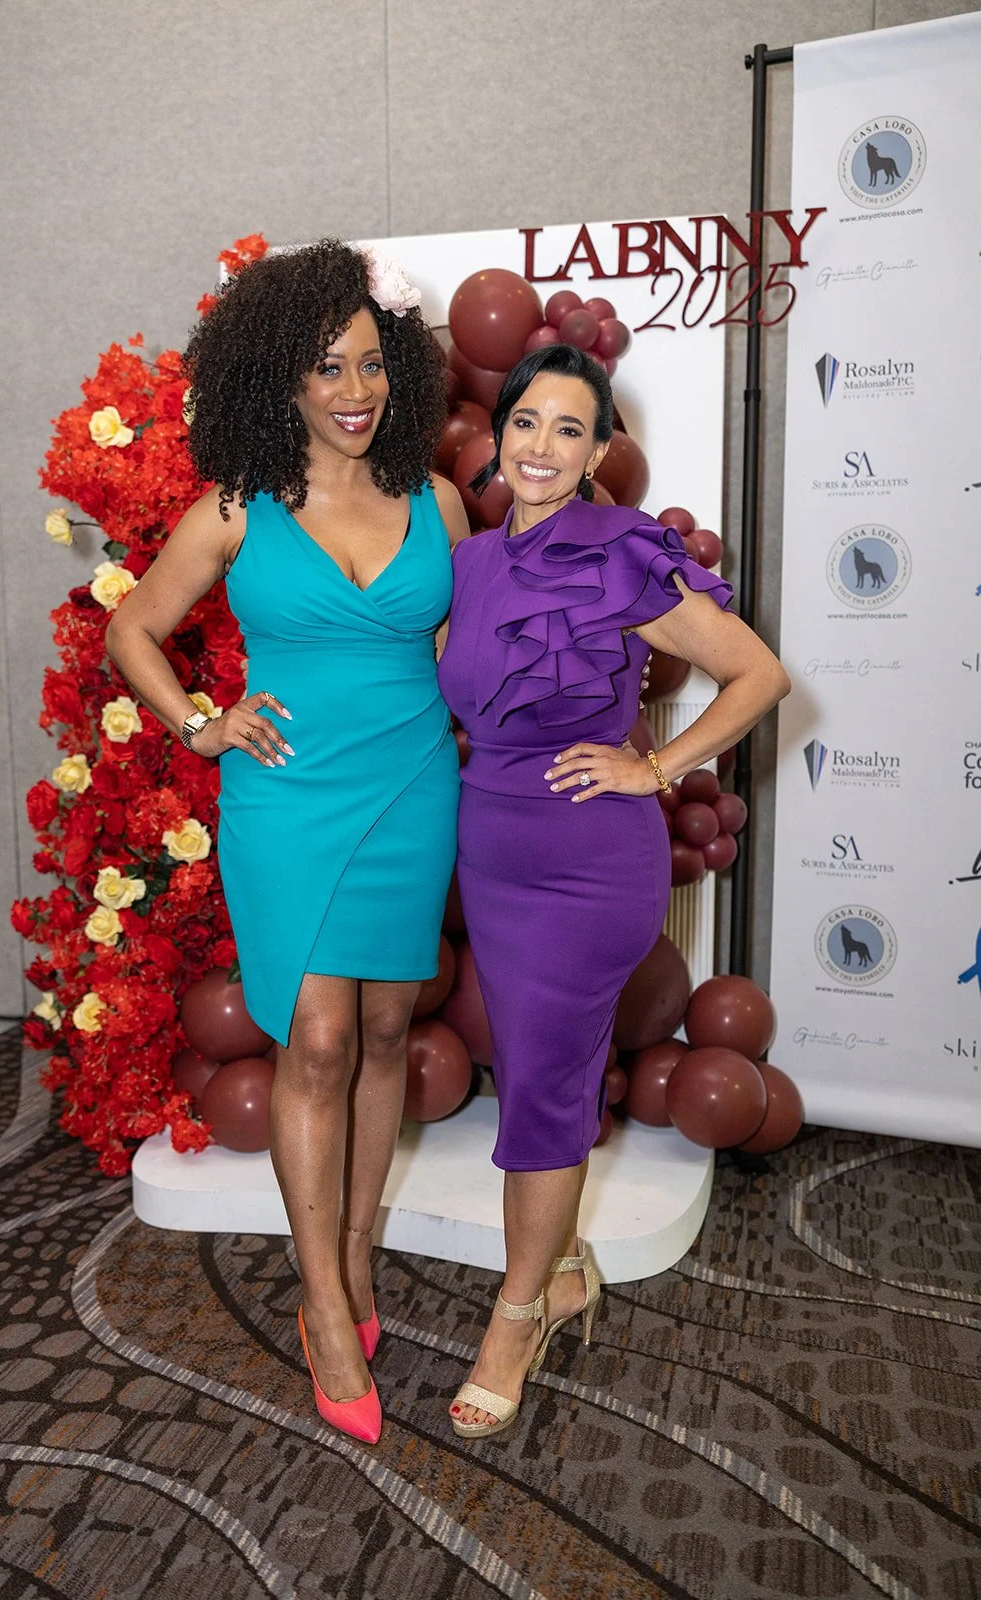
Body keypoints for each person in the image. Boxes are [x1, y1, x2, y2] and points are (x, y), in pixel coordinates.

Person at [106, 239, 469, 1444]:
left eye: (371, 365)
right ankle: (322, 1308)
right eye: (328, 368)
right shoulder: (233, 509)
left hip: (412, 788)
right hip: (286, 795)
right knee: (313, 1036)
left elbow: (480, 648)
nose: (355, 390)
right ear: (283, 379)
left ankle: (355, 1259)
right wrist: (200, 726)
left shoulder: (438, 498)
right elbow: (135, 631)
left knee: (380, 1029)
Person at [436, 343, 790, 1438]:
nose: (541, 447)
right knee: (536, 1064)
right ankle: (567, 1267)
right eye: (526, 423)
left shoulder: (619, 555)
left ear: (598, 452)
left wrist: (654, 765)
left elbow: (758, 673)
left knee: (542, 1080)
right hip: (490, 846)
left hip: (589, 859)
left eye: (569, 430)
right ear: (499, 435)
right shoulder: (472, 560)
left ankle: (516, 1314)